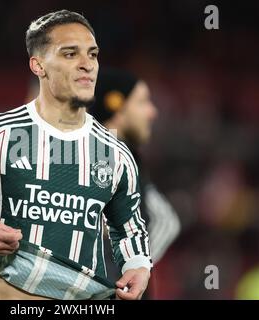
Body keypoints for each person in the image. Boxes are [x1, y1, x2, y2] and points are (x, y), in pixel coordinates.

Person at [0, 10, 152, 300]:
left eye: (92, 54)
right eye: (69, 54)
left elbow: (129, 226)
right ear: (38, 65)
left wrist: (139, 264)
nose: (86, 65)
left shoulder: (115, 152)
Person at [89, 68, 181, 290]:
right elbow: (167, 221)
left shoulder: (123, 157)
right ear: (116, 106)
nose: (152, 112)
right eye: (142, 102)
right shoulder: (109, 156)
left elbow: (167, 221)